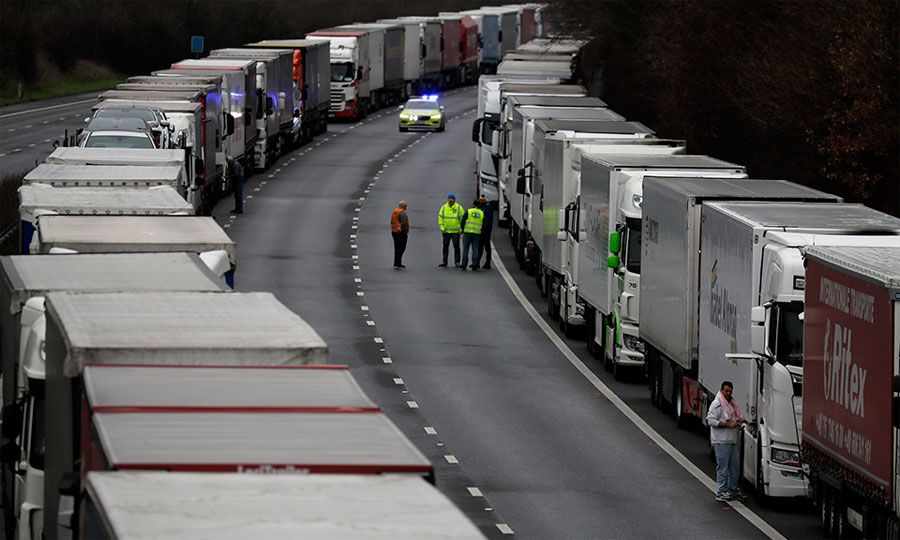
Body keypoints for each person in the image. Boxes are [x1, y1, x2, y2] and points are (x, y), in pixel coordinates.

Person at [706, 381, 745, 502]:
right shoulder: (717, 404)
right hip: (721, 441)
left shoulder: (732, 404)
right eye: (726, 391)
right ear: (722, 390)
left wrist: (739, 423)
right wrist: (727, 424)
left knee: (734, 468)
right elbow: (710, 420)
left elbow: (735, 418)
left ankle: (732, 489)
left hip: (732, 440)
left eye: (730, 391)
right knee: (723, 468)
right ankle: (720, 492)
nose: (728, 393)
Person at [437, 193, 465, 267]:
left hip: (456, 232)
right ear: (448, 199)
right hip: (446, 231)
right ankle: (444, 262)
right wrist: (442, 227)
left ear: (454, 200)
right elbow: (440, 218)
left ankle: (457, 262)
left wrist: (461, 229)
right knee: (445, 246)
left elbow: (463, 219)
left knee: (456, 247)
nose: (450, 201)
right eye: (449, 199)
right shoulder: (443, 207)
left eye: (452, 200)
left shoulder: (459, 207)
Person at [459, 198, 485, 271]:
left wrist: (462, 229)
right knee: (475, 249)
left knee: (465, 249)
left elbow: (463, 221)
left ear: (473, 204)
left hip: (467, 233)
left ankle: (464, 265)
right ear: (479, 205)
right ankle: (474, 265)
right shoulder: (481, 213)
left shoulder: (469, 211)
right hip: (476, 234)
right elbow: (483, 224)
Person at [390, 201, 410, 269]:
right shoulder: (402, 213)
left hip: (394, 231)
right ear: (404, 206)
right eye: (406, 206)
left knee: (397, 248)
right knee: (402, 248)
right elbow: (404, 223)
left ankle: (397, 263)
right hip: (401, 232)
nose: (407, 207)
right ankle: (398, 263)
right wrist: (405, 232)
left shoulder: (395, 211)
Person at [477, 196, 494, 270]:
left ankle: (487, 263)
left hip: (486, 231)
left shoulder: (487, 208)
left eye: (481, 201)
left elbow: (487, 221)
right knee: (480, 247)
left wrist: (483, 229)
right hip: (482, 230)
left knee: (486, 247)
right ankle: (477, 262)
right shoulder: (482, 207)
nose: (480, 202)